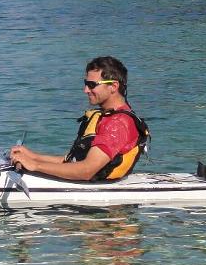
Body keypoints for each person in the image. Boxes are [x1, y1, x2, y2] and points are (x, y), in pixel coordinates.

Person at [10, 56, 149, 181]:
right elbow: (73, 162)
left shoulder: (118, 124)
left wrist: (35, 165)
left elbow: (86, 171)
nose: (86, 90)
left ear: (113, 86)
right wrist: (33, 156)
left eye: (92, 85)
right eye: (86, 83)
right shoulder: (106, 116)